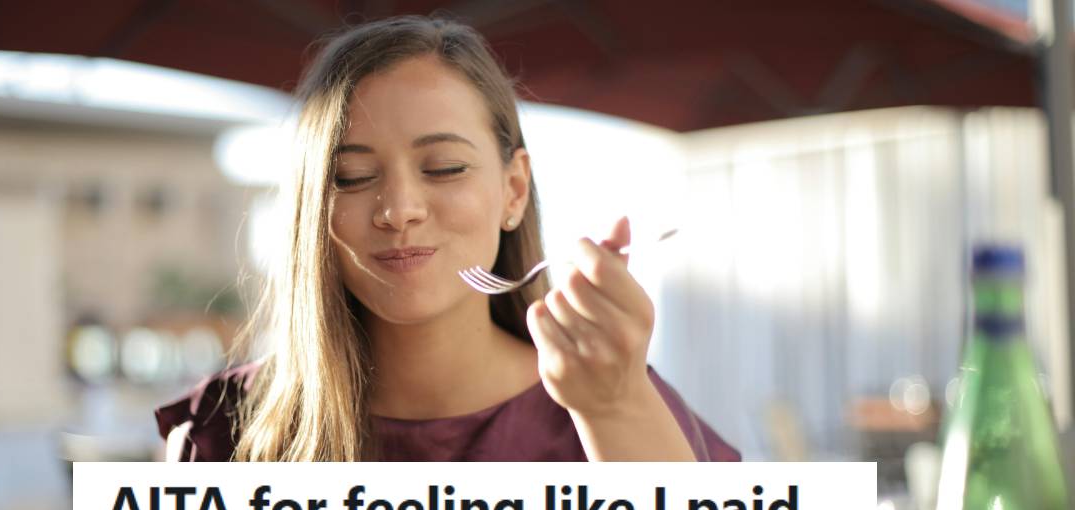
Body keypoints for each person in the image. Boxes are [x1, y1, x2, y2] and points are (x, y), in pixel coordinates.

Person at [155, 15, 739, 463]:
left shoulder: (615, 398)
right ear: (312, 210)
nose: (399, 210)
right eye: (352, 177)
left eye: (444, 168)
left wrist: (616, 409)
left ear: (513, 192)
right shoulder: (225, 430)